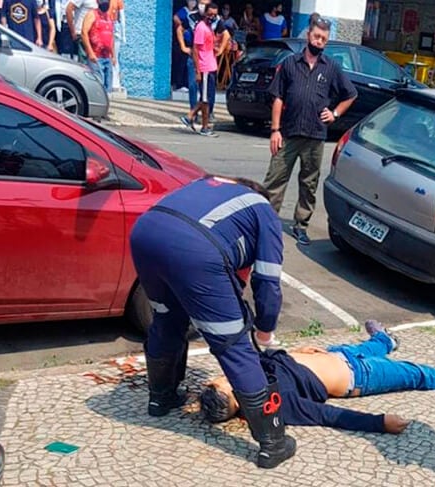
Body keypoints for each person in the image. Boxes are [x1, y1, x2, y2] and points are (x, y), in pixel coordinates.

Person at [129, 174, 296, 469]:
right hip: (194, 249)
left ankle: (160, 398)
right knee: (233, 343)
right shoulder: (264, 210)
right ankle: (273, 443)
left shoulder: (208, 186)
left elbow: (235, 269)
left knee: (167, 317)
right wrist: (265, 330)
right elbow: (268, 280)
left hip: (144, 234)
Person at [200, 320, 435, 433]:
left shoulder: (247, 374)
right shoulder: (276, 403)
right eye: (224, 381)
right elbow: (328, 415)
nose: (227, 376)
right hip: (361, 376)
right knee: (420, 375)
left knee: (365, 347)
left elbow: (269, 356)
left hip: (336, 354)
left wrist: (297, 351)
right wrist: (380, 423)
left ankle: (385, 341)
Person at [263, 17, 357, 245]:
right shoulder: (289, 64)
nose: (319, 41)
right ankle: (265, 223)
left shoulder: (331, 67)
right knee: (275, 180)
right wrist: (275, 130)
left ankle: (300, 225)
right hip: (288, 133)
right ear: (308, 36)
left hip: (315, 136)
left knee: (309, 184)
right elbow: (277, 97)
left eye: (324, 39)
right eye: (316, 36)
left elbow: (351, 94)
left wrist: (335, 114)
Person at [181, 2, 229, 137]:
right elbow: (196, 50)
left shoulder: (209, 28)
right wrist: (197, 71)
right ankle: (193, 118)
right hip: (205, 67)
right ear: (205, 14)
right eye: (210, 14)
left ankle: (201, 124)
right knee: (205, 99)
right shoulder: (201, 28)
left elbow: (212, 44)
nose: (212, 17)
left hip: (211, 65)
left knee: (205, 98)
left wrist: (217, 48)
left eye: (214, 15)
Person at [81, 0, 114, 91]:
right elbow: (84, 33)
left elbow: (111, 37)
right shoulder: (92, 14)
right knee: (98, 86)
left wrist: (113, 55)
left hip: (107, 57)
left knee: (107, 88)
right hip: (96, 56)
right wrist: (90, 52)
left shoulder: (108, 17)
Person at [175, 0, 200, 116]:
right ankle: (180, 84)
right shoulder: (186, 13)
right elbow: (176, 20)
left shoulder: (203, 17)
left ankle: (204, 112)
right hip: (189, 47)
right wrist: (183, 45)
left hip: (202, 53)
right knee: (183, 66)